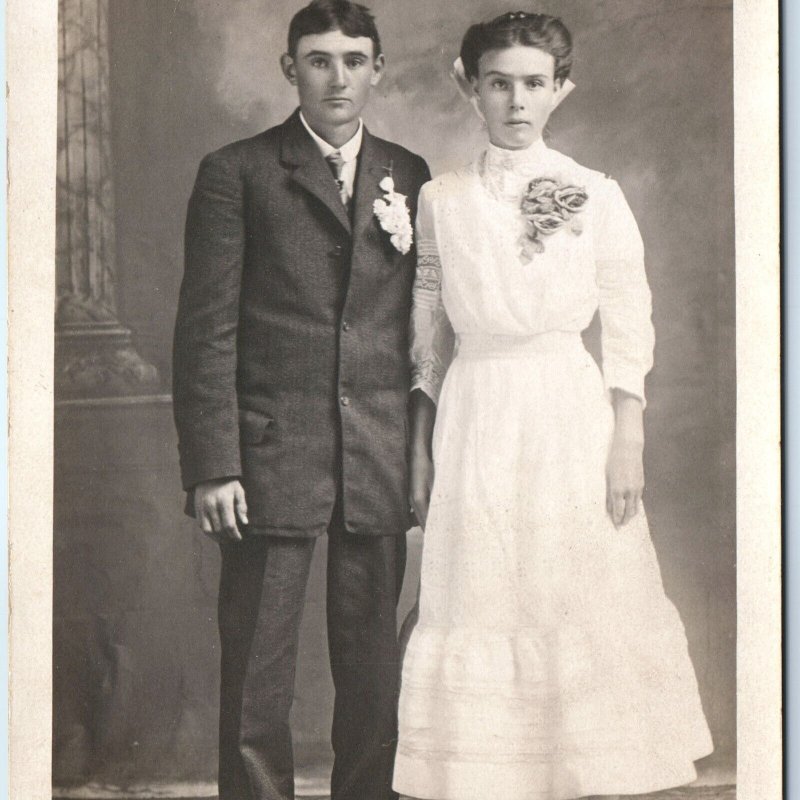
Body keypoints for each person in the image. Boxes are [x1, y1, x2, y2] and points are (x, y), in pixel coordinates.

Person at [393, 11, 713, 800]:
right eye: (498, 83)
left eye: (534, 83)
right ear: (469, 88)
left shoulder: (595, 194)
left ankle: (589, 771)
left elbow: (627, 310)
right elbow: (426, 327)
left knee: (575, 581)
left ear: (561, 89)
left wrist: (627, 433)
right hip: (478, 410)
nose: (516, 101)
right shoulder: (442, 198)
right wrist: (421, 442)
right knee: (485, 584)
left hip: (568, 409)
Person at [172, 2, 430, 798]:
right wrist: (215, 464)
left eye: (354, 59)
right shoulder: (237, 170)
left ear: (378, 69)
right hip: (269, 452)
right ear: (290, 69)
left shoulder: (410, 175)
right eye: (318, 59)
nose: (337, 77)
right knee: (257, 671)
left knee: (373, 674)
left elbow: (423, 328)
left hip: (375, 451)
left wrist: (423, 449)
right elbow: (206, 331)